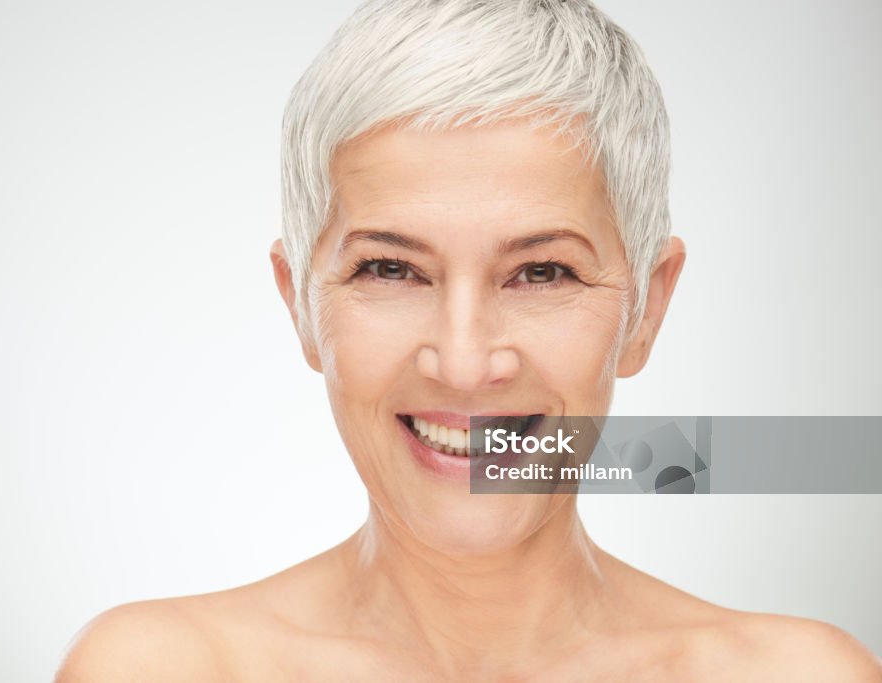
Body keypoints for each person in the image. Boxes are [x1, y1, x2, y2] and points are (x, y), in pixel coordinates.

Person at [56, 1, 882, 679]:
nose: (462, 362)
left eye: (543, 273)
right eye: (389, 269)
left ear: (648, 311)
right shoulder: (155, 667)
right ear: (300, 305)